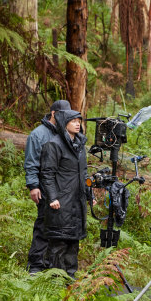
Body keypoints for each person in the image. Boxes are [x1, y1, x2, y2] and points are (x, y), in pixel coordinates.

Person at [40, 109, 90, 279]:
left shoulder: (80, 146)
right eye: (73, 121)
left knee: (73, 242)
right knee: (59, 242)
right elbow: (47, 173)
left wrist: (90, 196)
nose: (77, 124)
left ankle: (70, 281)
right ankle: (56, 282)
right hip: (61, 202)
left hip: (77, 202)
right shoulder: (53, 144)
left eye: (79, 121)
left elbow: (84, 174)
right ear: (64, 123)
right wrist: (52, 197)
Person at [24, 100, 71, 274]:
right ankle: (35, 266)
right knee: (43, 227)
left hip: (63, 190)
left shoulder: (66, 134)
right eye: (62, 115)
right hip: (44, 188)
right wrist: (33, 186)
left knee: (59, 229)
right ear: (53, 114)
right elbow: (31, 162)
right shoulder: (38, 135)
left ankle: (53, 267)